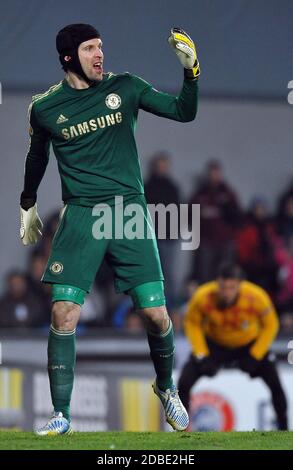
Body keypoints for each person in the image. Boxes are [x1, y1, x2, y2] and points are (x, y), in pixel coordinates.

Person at [19, 24, 200, 435]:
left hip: (128, 213)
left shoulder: (126, 87)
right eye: (90, 48)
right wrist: (27, 203)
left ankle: (167, 388)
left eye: (101, 46)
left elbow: (183, 112)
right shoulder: (45, 108)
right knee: (63, 312)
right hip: (81, 214)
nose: (100, 54)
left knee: (155, 314)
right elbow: (36, 158)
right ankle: (62, 414)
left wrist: (191, 74)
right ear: (69, 57)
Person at [178, 263, 288, 430]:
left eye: (231, 287)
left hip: (248, 346)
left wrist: (256, 355)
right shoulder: (203, 297)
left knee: (275, 383)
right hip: (215, 345)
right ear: (217, 283)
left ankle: (284, 429)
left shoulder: (256, 297)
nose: (226, 292)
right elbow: (192, 323)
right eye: (223, 287)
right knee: (184, 382)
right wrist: (201, 354)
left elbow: (271, 325)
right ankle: (182, 429)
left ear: (239, 285)